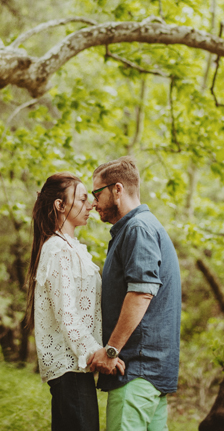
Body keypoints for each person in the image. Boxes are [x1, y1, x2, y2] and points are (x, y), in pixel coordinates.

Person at [24, 172, 125, 431]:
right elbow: (67, 315)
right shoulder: (57, 250)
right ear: (60, 205)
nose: (90, 204)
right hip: (69, 370)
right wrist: (98, 354)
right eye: (81, 199)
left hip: (76, 370)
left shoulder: (70, 248)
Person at [87, 157, 181, 431]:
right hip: (149, 377)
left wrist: (111, 350)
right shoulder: (142, 227)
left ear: (117, 190)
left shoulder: (137, 229)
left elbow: (141, 293)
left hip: (135, 375)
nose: (93, 203)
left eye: (96, 193)